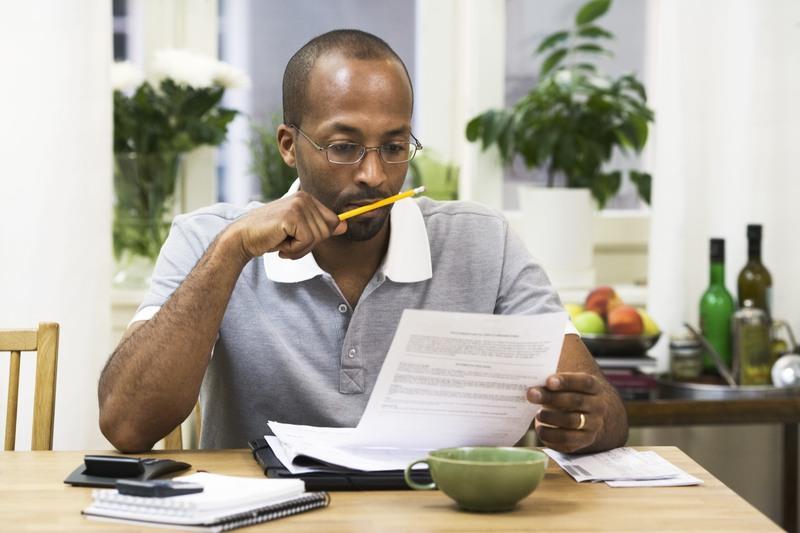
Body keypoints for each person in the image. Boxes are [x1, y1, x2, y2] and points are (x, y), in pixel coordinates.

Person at [98, 29, 628, 454]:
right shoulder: (209, 238)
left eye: (395, 146)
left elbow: (602, 411)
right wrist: (231, 251)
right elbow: (126, 425)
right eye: (345, 146)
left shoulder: (483, 240)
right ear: (289, 146)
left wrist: (589, 420)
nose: (375, 175)